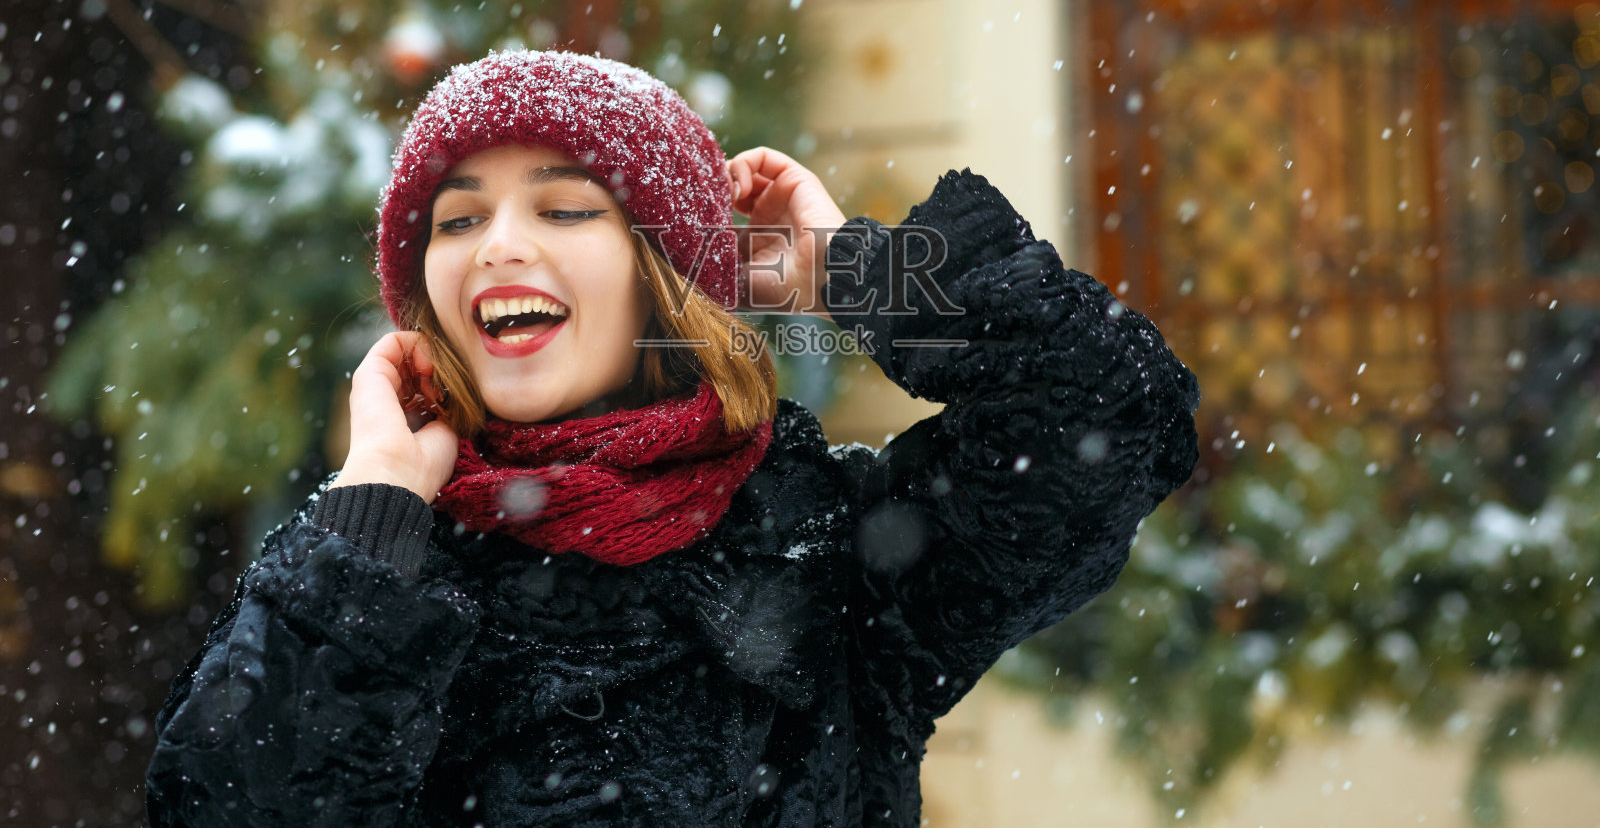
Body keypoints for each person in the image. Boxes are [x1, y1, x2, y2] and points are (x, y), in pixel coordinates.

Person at [145, 48, 1200, 826]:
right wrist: (375, 504)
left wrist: (858, 270)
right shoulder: (372, 571)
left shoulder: (824, 553)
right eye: (457, 220)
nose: (496, 245)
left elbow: (1106, 411)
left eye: (563, 209)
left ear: (663, 277)